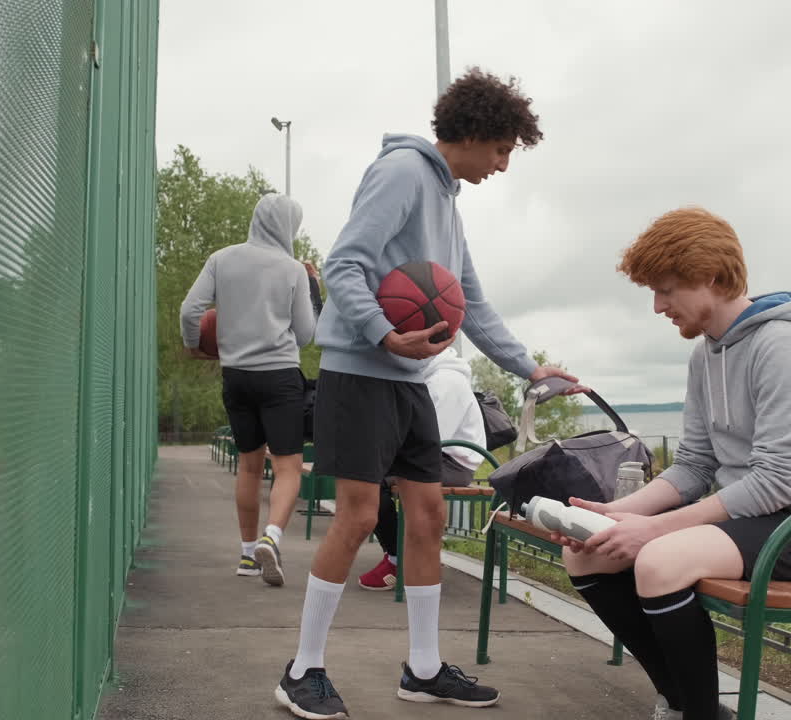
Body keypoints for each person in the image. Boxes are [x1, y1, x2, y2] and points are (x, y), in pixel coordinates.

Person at [274, 68, 581, 719]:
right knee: (358, 517)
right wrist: (386, 334)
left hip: (410, 381)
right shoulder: (403, 174)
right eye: (501, 150)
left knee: (430, 517)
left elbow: (469, 303)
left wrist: (531, 370)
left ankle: (421, 669)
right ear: (473, 134)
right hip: (361, 372)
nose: (503, 164)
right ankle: (302, 669)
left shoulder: (449, 203)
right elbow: (344, 263)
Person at [555, 207, 791, 720]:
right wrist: (615, 515)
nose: (658, 306)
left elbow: (774, 484)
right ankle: (682, 704)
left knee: (659, 559)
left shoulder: (786, 345)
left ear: (712, 278)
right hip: (752, 518)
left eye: (667, 289)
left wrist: (652, 531)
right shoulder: (706, 353)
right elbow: (695, 467)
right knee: (589, 554)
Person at [180, 193, 320, 587]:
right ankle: (271, 538)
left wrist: (195, 344)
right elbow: (307, 335)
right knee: (288, 466)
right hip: (279, 376)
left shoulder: (221, 259)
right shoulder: (292, 269)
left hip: (236, 376)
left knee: (249, 465)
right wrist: (311, 285)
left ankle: (246, 557)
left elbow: (190, 310)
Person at [358, 348, 486, 591]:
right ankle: (400, 555)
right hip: (440, 455)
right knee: (367, 476)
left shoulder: (445, 381)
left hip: (453, 462)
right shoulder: (431, 376)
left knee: (371, 481)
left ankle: (398, 559)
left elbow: (430, 437)